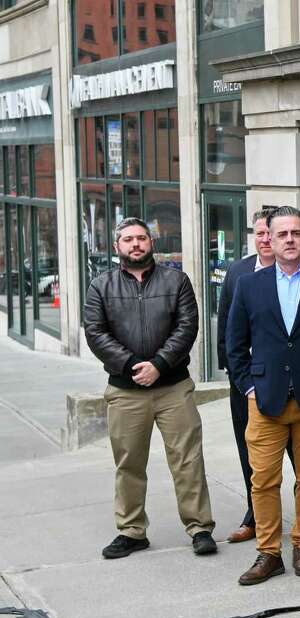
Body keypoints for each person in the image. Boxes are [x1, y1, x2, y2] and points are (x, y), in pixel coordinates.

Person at [82, 217, 217, 559]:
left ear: (151, 243)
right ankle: (131, 531)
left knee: (187, 460)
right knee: (129, 463)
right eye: (128, 239)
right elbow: (95, 333)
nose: (136, 244)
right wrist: (131, 366)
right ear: (117, 247)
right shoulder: (101, 286)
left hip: (173, 388)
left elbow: (187, 327)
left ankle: (199, 527)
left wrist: (159, 364)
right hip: (125, 392)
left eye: (141, 238)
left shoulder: (177, 281)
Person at [226, 206, 300, 586]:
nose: (290, 239)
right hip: (265, 399)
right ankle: (268, 553)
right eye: (282, 233)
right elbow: (234, 344)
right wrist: (248, 387)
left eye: (296, 233)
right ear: (268, 238)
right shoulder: (250, 284)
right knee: (264, 480)